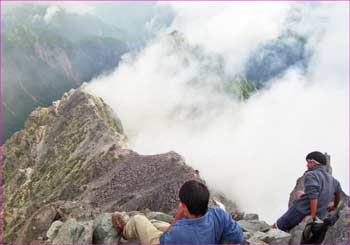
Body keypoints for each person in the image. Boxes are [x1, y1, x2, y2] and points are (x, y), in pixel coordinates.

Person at [112, 180, 243, 244]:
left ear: (185, 206)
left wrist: (177, 218)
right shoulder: (219, 214)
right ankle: (146, 226)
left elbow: (166, 237)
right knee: (155, 223)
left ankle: (125, 232)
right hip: (192, 234)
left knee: (138, 219)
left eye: (181, 203)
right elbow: (238, 236)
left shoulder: (180, 231)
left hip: (168, 241)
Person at [273, 151, 342, 232]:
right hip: (321, 214)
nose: (307, 165)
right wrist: (334, 206)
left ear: (313, 162)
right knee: (299, 193)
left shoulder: (311, 174)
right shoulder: (334, 181)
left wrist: (312, 216)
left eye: (308, 162)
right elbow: (338, 193)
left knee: (275, 228)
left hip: (300, 211)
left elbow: (313, 196)